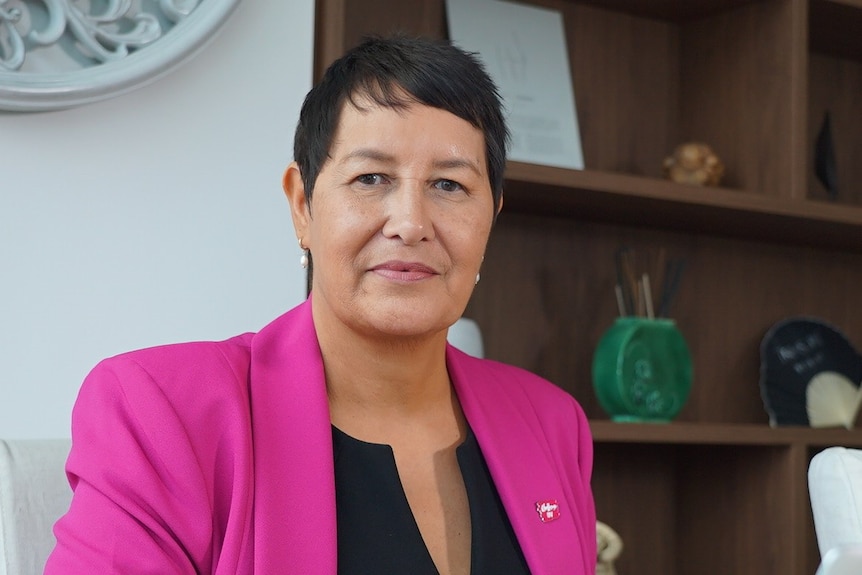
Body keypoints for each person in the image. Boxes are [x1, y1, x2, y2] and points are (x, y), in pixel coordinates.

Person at [44, 34, 596, 575]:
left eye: (449, 186)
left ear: (491, 216)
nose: (410, 223)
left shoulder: (552, 424)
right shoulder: (162, 413)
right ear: (303, 206)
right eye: (371, 178)